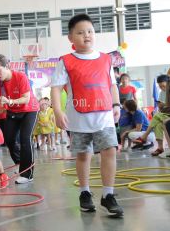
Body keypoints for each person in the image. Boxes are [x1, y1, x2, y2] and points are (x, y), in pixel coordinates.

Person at [50, 14, 123, 217]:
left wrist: (116, 104)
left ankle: (108, 195)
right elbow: (55, 89)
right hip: (79, 118)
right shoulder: (65, 62)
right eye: (80, 33)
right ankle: (85, 193)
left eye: (90, 31)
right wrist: (57, 111)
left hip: (104, 117)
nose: (86, 35)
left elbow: (112, 85)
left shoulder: (106, 59)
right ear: (71, 38)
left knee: (109, 151)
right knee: (83, 155)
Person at [0, 54, 39, 184]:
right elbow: (2, 101)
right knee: (8, 139)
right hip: (13, 111)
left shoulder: (20, 76)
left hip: (29, 110)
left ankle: (27, 173)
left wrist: (10, 101)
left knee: (25, 138)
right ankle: (20, 163)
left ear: (7, 66)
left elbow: (26, 99)